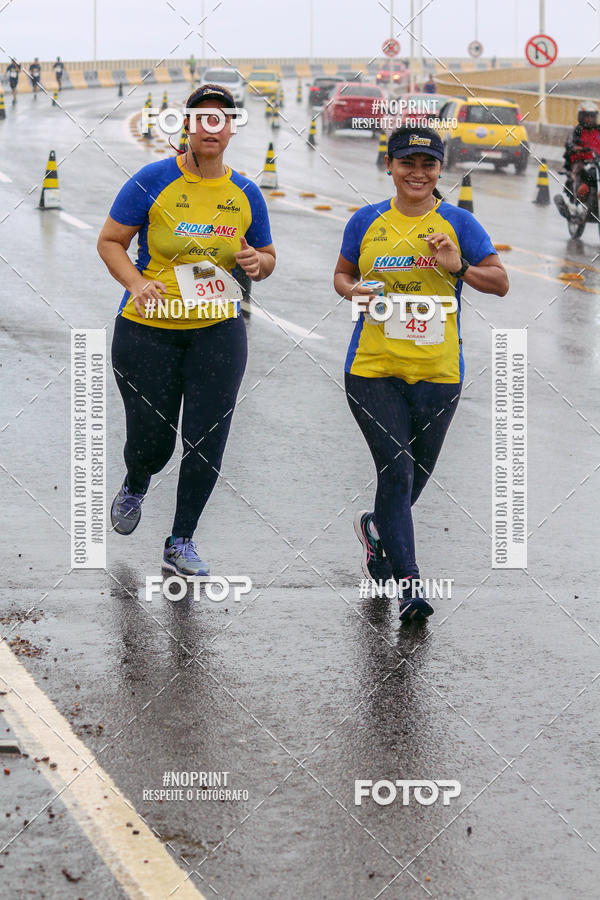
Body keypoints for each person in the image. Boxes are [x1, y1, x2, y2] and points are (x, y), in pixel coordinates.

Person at [98, 84, 276, 576]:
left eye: (222, 119)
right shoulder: (152, 179)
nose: (211, 127)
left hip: (218, 331)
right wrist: (135, 283)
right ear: (188, 125)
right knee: (153, 441)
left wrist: (256, 261)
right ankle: (137, 480)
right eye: (203, 118)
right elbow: (111, 241)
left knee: (207, 439)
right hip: (147, 329)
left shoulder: (246, 192)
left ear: (232, 128)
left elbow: (267, 258)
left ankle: (181, 541)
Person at [334, 126, 508, 623]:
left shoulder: (458, 222)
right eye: (407, 163)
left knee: (414, 477)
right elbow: (342, 275)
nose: (418, 172)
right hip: (372, 367)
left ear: (440, 170)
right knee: (397, 468)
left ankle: (377, 528)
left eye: (428, 164)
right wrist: (354, 292)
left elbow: (499, 283)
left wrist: (457, 268)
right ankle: (410, 585)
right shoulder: (365, 221)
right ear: (389, 166)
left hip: (437, 372)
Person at [555, 102, 600, 219]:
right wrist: (576, 148)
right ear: (581, 117)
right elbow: (569, 143)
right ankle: (576, 204)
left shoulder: (599, 130)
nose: (589, 119)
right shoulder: (577, 131)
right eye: (587, 116)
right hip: (581, 161)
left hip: (597, 161)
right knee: (579, 174)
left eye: (592, 116)